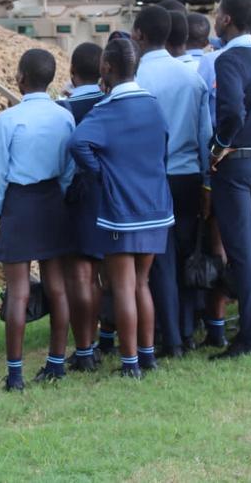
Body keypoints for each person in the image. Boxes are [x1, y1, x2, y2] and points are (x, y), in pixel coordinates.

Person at [70, 38, 174, 377]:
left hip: (121, 211)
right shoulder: (153, 105)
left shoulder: (107, 110)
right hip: (156, 206)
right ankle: (147, 355)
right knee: (142, 283)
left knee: (123, 287)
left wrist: (101, 173)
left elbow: (77, 143)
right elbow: (164, 145)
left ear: (106, 68)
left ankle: (130, 364)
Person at [0, 49, 76, 391]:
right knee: (57, 286)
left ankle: (15, 374)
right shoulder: (64, 116)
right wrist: (60, 194)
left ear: (21, 78)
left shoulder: (8, 119)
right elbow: (69, 167)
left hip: (19, 202)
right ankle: (56, 363)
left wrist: (0, 209)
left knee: (18, 291)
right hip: (53, 198)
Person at [134, 5, 212, 358]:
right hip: (190, 175)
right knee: (188, 252)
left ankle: (172, 338)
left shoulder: (137, 79)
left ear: (138, 35)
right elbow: (205, 136)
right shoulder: (192, 78)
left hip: (153, 178)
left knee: (161, 259)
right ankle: (188, 327)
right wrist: (207, 184)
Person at [207, 0, 251, 360]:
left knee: (242, 250)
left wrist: (219, 145)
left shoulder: (229, 59)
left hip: (236, 162)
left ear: (227, 19)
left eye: (218, 14)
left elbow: (232, 110)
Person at [58, 42, 107, 372]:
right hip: (112, 195)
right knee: (106, 276)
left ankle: (85, 348)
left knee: (80, 276)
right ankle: (106, 339)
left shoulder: (63, 109)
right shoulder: (111, 104)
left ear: (72, 72)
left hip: (78, 195)